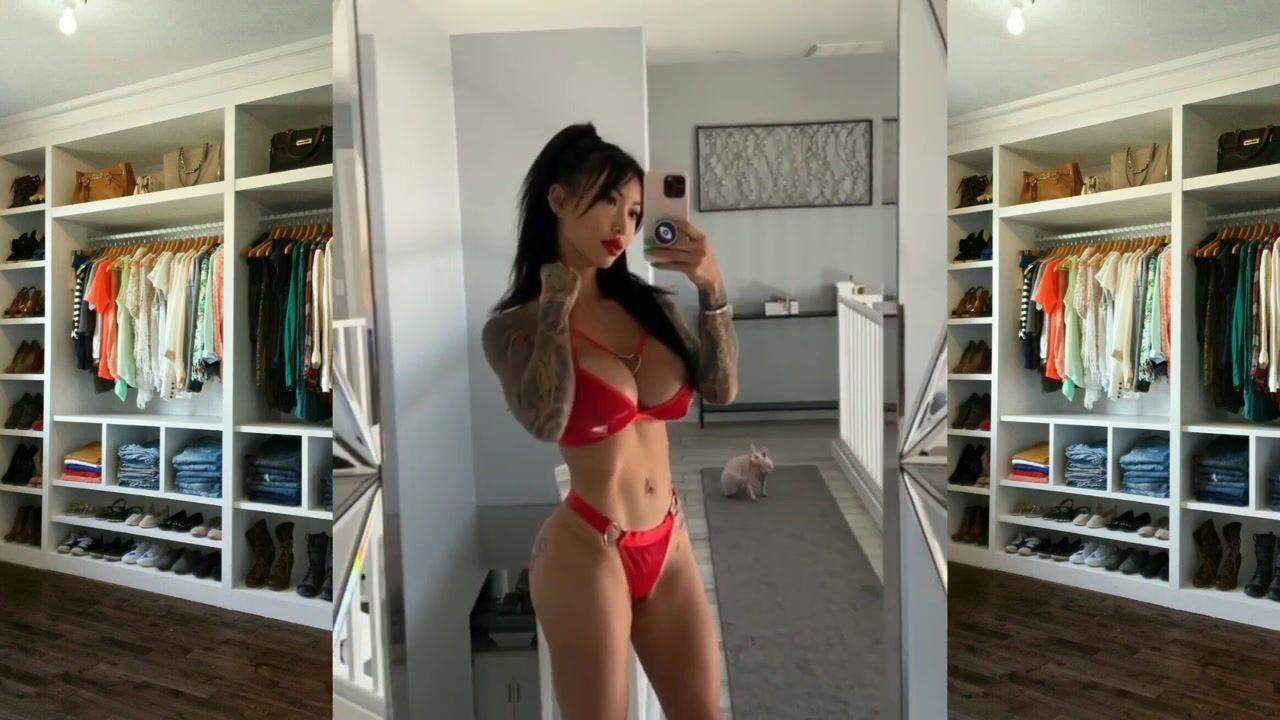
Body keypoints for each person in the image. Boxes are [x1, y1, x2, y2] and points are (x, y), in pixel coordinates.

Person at [481, 122, 738, 719]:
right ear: (558, 199)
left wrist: (712, 286)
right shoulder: (513, 329)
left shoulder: (654, 307)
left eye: (636, 212)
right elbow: (546, 421)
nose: (623, 225)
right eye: (608, 202)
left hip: (668, 540)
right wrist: (556, 304)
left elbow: (721, 390)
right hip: (588, 549)